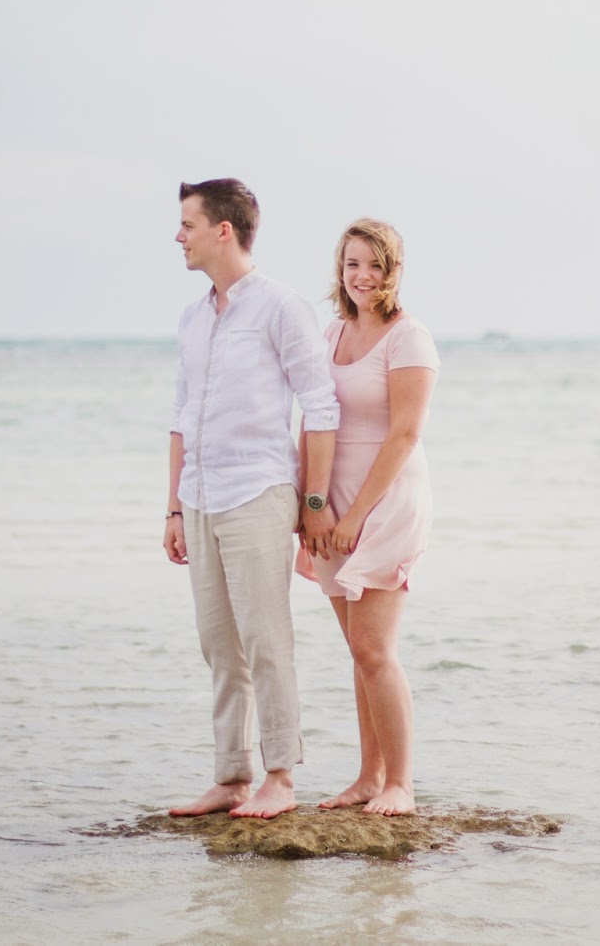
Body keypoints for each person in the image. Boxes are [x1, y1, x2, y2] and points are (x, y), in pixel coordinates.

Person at [163, 178, 339, 819]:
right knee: (218, 643)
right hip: (202, 498)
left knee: (267, 639)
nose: (178, 237)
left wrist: (313, 505)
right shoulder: (191, 317)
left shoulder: (282, 308)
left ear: (223, 231)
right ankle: (231, 776)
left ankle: (282, 777)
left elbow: (321, 407)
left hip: (259, 492)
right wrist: (175, 508)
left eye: (187, 224)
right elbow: (182, 415)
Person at [296, 219, 439, 817]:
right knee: (358, 650)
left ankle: (400, 784)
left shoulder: (410, 338)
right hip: (333, 504)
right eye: (352, 264)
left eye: (375, 265)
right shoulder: (329, 333)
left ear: (394, 270)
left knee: (377, 649)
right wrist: (314, 505)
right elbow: (313, 418)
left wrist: (355, 514)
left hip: (386, 502)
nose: (362, 276)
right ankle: (366, 778)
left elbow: (405, 433)